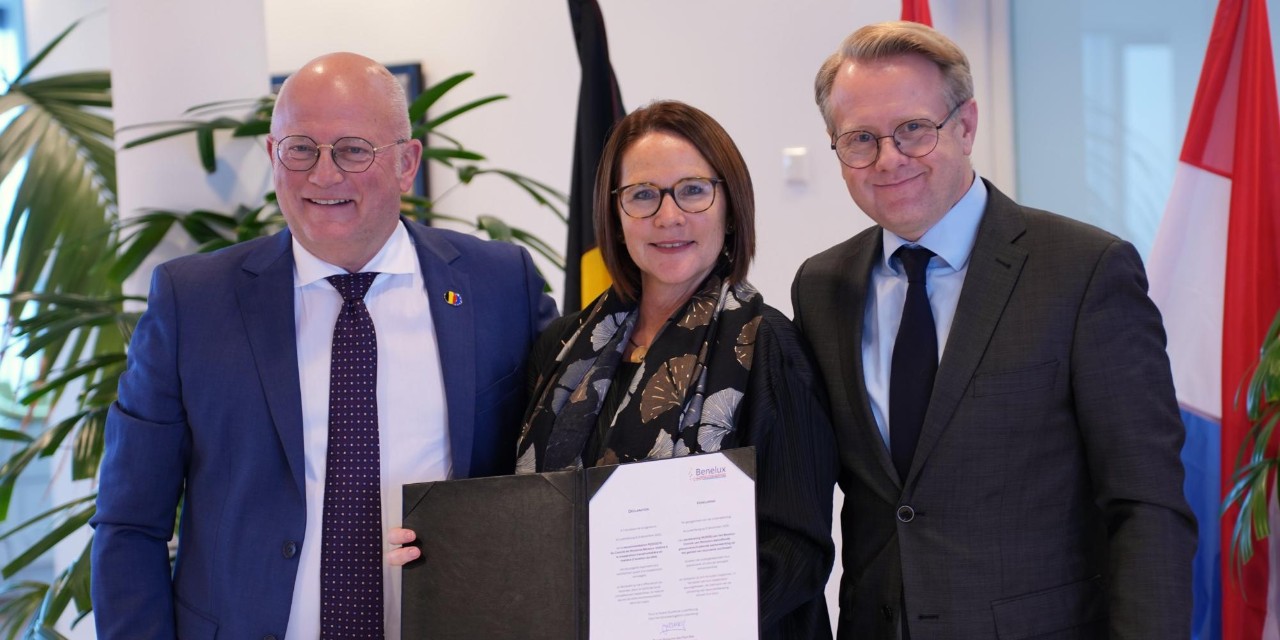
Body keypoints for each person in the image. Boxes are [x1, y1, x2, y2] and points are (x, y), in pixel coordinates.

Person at [90, 52, 557, 639]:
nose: (324, 175)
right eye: (301, 149)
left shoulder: (500, 286)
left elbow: (559, 473)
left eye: (354, 150)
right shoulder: (194, 302)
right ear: (272, 155)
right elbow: (129, 522)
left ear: (407, 163)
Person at [791, 21, 1196, 639]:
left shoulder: (1084, 270)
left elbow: (1147, 504)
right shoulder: (821, 288)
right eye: (860, 139)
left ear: (966, 126)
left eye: (914, 129)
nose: (889, 159)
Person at [519, 99, 837, 639]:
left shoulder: (769, 347)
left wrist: (666, 626)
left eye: (692, 190)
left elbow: (796, 550)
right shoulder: (560, 347)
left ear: (730, 207)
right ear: (616, 216)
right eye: (643, 195)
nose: (668, 217)